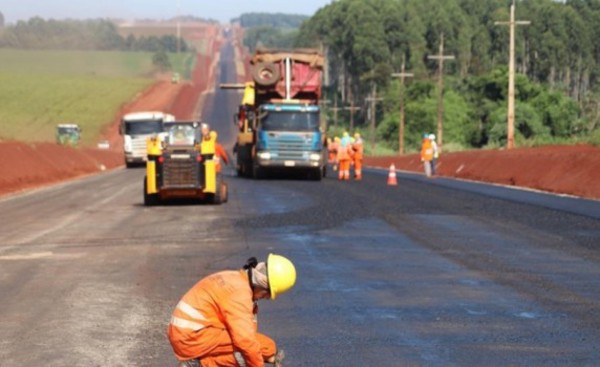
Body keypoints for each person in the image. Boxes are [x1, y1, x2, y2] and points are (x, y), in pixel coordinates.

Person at [168, 254, 296, 367]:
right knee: (257, 350)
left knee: (265, 348)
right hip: (191, 337)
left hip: (190, 333)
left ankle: (198, 362)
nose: (267, 297)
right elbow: (246, 341)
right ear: (262, 284)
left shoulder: (237, 279)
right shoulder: (240, 294)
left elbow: (249, 331)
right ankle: (198, 364)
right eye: (268, 293)